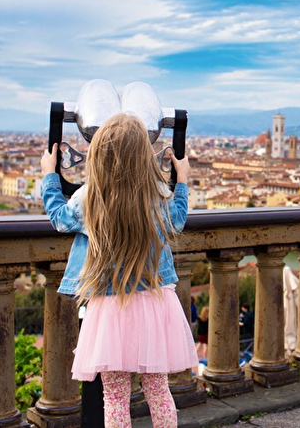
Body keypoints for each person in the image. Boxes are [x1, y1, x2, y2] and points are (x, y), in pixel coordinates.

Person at [41, 112, 197, 428]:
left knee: (114, 397)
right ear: (144, 156)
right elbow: (178, 220)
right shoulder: (156, 193)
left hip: (110, 308)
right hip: (154, 302)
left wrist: (49, 176)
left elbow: (59, 219)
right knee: (158, 390)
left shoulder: (89, 197)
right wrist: (181, 180)